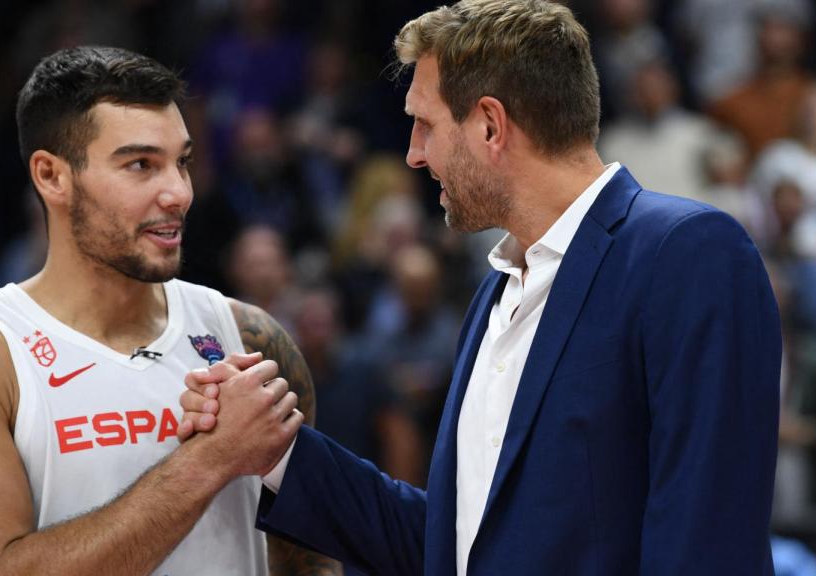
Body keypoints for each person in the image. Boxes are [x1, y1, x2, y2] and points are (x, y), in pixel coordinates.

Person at [181, 1, 782, 574]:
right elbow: (458, 545)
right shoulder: (494, 295)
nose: (414, 154)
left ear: (491, 125)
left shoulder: (687, 251)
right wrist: (279, 453)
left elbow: (709, 540)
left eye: (424, 124)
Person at [0, 46, 340, 575]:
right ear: (52, 176)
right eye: (140, 165)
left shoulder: (252, 336)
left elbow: (311, 558)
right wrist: (208, 460)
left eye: (182, 162)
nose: (178, 193)